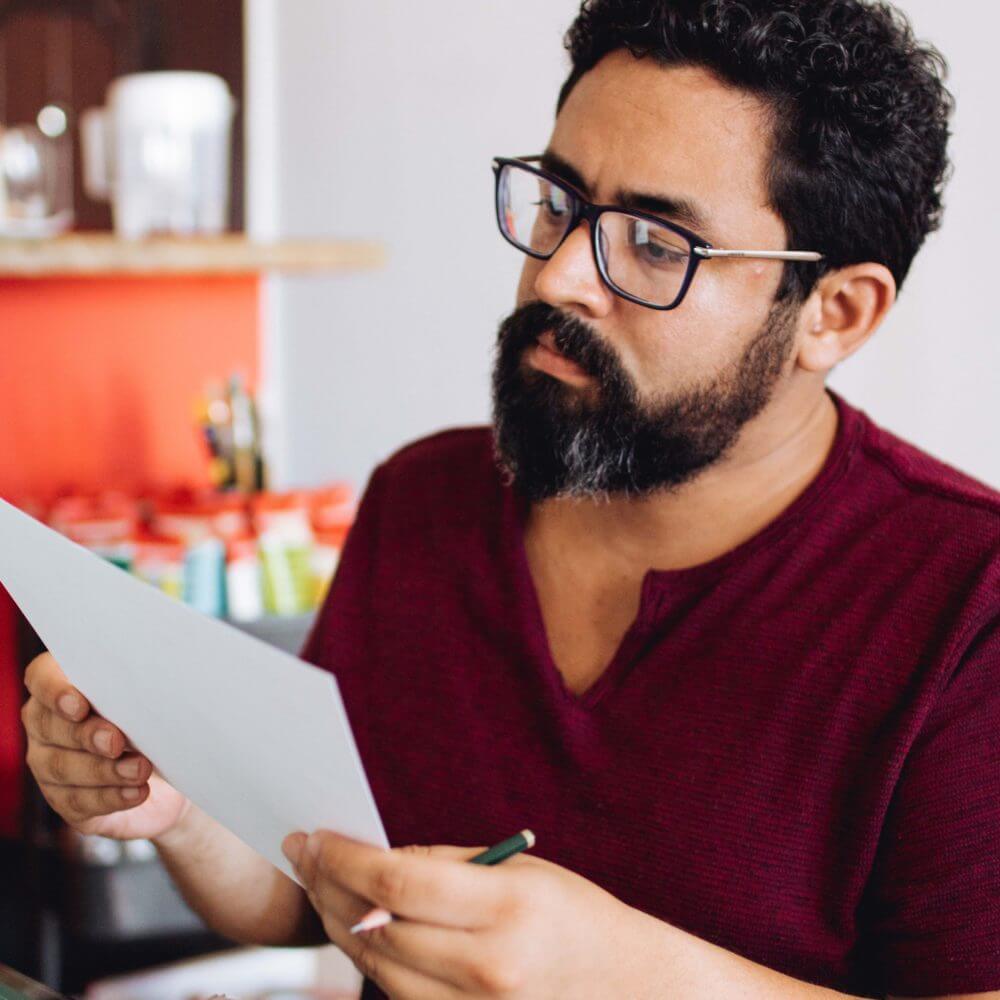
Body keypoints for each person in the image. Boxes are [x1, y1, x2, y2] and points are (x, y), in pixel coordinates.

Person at [21, 0, 1000, 997]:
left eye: (657, 245)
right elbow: (302, 888)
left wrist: (624, 974)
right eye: (559, 204)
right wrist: (174, 802)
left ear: (833, 314)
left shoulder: (968, 604)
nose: (561, 274)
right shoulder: (426, 500)